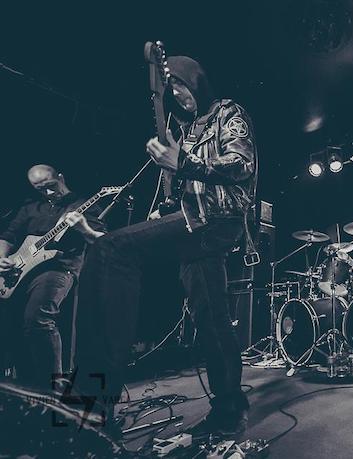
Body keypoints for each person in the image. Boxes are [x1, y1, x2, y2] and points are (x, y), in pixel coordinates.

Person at [75, 55, 257, 437]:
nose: (177, 94)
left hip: (218, 221)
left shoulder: (228, 112)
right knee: (211, 318)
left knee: (111, 250)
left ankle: (93, 403)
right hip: (193, 226)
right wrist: (164, 203)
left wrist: (184, 162)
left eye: (181, 85)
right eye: (171, 89)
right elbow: (179, 191)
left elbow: (242, 164)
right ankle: (230, 409)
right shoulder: (183, 130)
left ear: (197, 81)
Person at [0, 165, 105, 390]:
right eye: (40, 189)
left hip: (59, 269)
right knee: (11, 325)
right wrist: (2, 258)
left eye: (51, 186)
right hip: (20, 272)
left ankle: (52, 389)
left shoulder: (83, 205)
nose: (48, 193)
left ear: (61, 177)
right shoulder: (30, 208)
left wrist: (84, 228)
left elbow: (104, 242)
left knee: (37, 318)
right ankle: (25, 388)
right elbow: (8, 236)